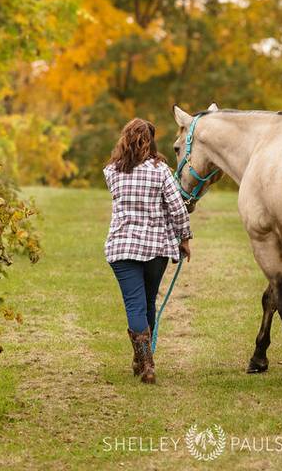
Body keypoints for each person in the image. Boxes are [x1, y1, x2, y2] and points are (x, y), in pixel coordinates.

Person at [103, 118, 192, 384]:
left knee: (135, 303)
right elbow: (176, 207)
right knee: (148, 301)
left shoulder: (111, 171)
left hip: (122, 247)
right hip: (156, 247)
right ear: (151, 142)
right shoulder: (161, 171)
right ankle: (146, 361)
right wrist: (184, 237)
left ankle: (143, 360)